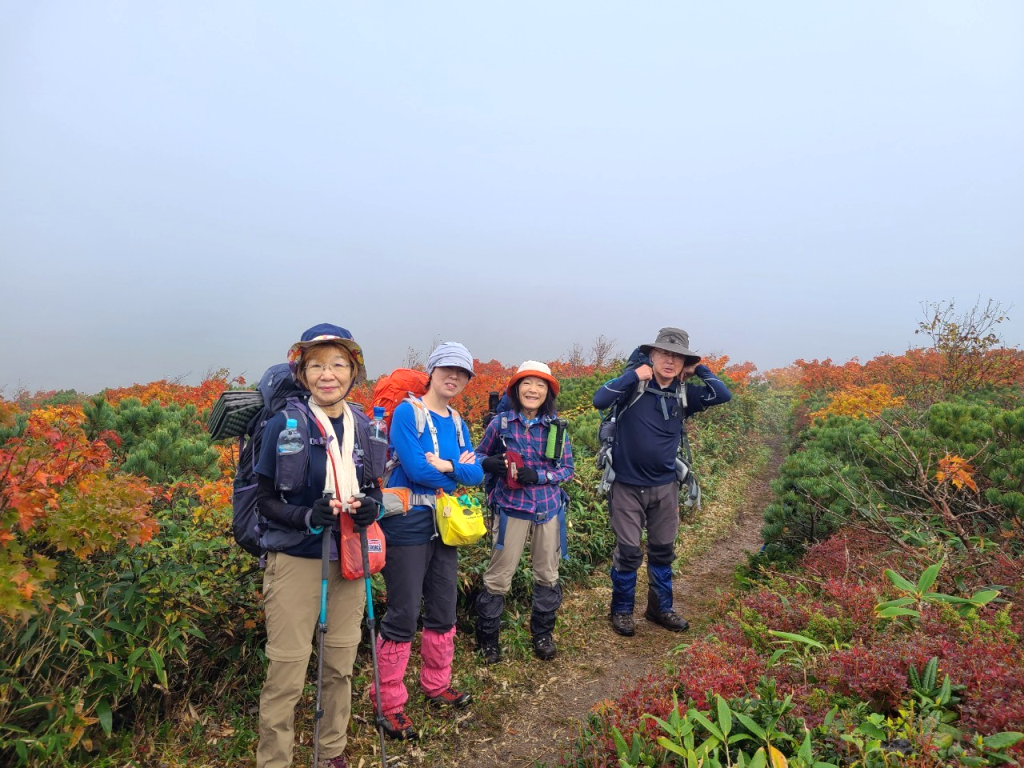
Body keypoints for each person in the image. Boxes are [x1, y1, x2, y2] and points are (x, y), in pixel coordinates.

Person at [255, 323, 384, 768]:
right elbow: (264, 499)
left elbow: (375, 488)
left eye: (338, 364)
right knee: (287, 671)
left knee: (340, 665)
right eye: (316, 365)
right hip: (296, 560)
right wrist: (307, 515)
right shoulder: (282, 424)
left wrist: (371, 508)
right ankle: (275, 761)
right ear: (302, 372)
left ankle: (331, 752)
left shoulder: (363, 426)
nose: (327, 374)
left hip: (349, 557)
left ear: (353, 370)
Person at [371, 341, 484, 740]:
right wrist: (456, 471)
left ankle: (436, 685)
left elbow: (479, 474)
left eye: (463, 373)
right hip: (406, 522)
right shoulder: (407, 412)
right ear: (431, 372)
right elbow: (417, 470)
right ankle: (388, 702)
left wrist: (448, 466)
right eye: (447, 369)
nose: (454, 377)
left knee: (443, 605)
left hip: (444, 523)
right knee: (403, 611)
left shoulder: (457, 422)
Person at [592, 327, 732, 638]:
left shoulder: (683, 394)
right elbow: (599, 400)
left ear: (684, 363)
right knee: (628, 552)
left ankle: (659, 608)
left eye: (677, 357)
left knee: (662, 550)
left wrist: (701, 370)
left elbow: (723, 394)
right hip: (626, 485)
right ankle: (622, 610)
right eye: (664, 353)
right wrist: (634, 375)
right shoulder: (634, 386)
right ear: (652, 355)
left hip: (665, 486)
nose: (670, 361)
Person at [473, 361, 575, 663]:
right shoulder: (501, 424)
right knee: (498, 577)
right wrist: (488, 463)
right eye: (527, 383)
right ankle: (488, 640)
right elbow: (478, 455)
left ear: (548, 392)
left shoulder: (557, 427)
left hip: (548, 509)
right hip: (511, 510)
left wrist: (540, 476)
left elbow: (567, 469)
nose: (533, 390)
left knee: (547, 574)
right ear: (516, 389)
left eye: (541, 385)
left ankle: (542, 635)